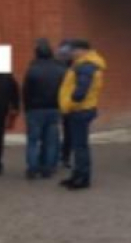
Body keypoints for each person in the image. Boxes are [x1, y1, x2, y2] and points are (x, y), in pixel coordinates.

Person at [58, 40, 106, 190]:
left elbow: (81, 91)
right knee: (79, 145)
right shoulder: (85, 64)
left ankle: (82, 179)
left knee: (80, 146)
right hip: (82, 109)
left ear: (82, 50)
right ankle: (77, 175)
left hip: (79, 110)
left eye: (73, 50)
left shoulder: (86, 66)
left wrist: (71, 104)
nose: (71, 53)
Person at [23, 38, 67, 179]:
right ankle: (47, 168)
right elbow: (65, 90)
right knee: (51, 141)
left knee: (33, 141)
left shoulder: (32, 69)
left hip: (35, 110)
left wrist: (27, 108)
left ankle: (32, 168)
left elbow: (26, 91)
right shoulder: (61, 70)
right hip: (54, 109)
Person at [55, 39, 75, 168]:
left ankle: (59, 156)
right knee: (68, 132)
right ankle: (64, 156)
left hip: (57, 103)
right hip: (68, 104)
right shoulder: (74, 68)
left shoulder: (56, 66)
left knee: (57, 131)